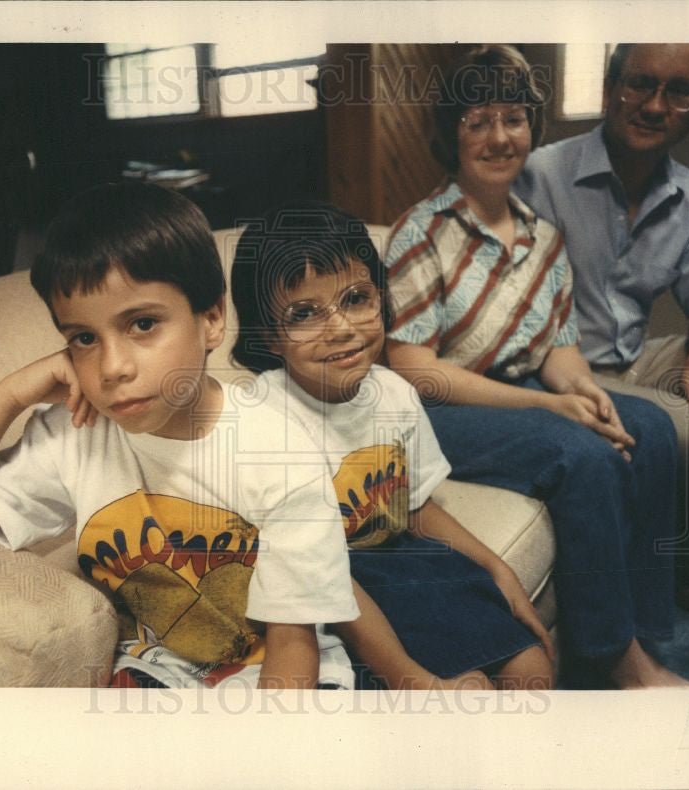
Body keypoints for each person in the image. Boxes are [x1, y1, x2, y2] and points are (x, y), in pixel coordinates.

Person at [0, 181, 360, 689]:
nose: (112, 368)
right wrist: (6, 397)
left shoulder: (277, 446)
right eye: (84, 339)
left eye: (142, 324)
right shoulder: (73, 436)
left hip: (277, 674)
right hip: (156, 672)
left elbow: (293, 646)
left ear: (212, 319)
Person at [384, 45, 689, 688]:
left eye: (514, 117)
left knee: (652, 428)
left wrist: (584, 393)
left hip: (516, 392)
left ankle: (647, 630)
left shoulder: (543, 237)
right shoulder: (422, 230)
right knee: (579, 454)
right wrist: (551, 407)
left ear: (532, 126)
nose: (500, 137)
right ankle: (616, 658)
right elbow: (414, 368)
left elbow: (557, 351)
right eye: (478, 121)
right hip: (437, 411)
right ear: (452, 136)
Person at [230, 201, 555, 690]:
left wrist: (496, 567)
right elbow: (316, 574)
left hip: (405, 562)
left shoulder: (394, 393)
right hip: (332, 589)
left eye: (356, 299)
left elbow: (413, 507)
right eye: (304, 313)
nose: (341, 327)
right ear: (269, 337)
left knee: (533, 672)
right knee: (471, 693)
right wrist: (411, 677)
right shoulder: (262, 416)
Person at [516, 44, 689, 619]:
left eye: (681, 91)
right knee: (683, 423)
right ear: (609, 86)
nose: (656, 105)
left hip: (635, 357)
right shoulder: (541, 173)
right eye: (640, 83)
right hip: (556, 369)